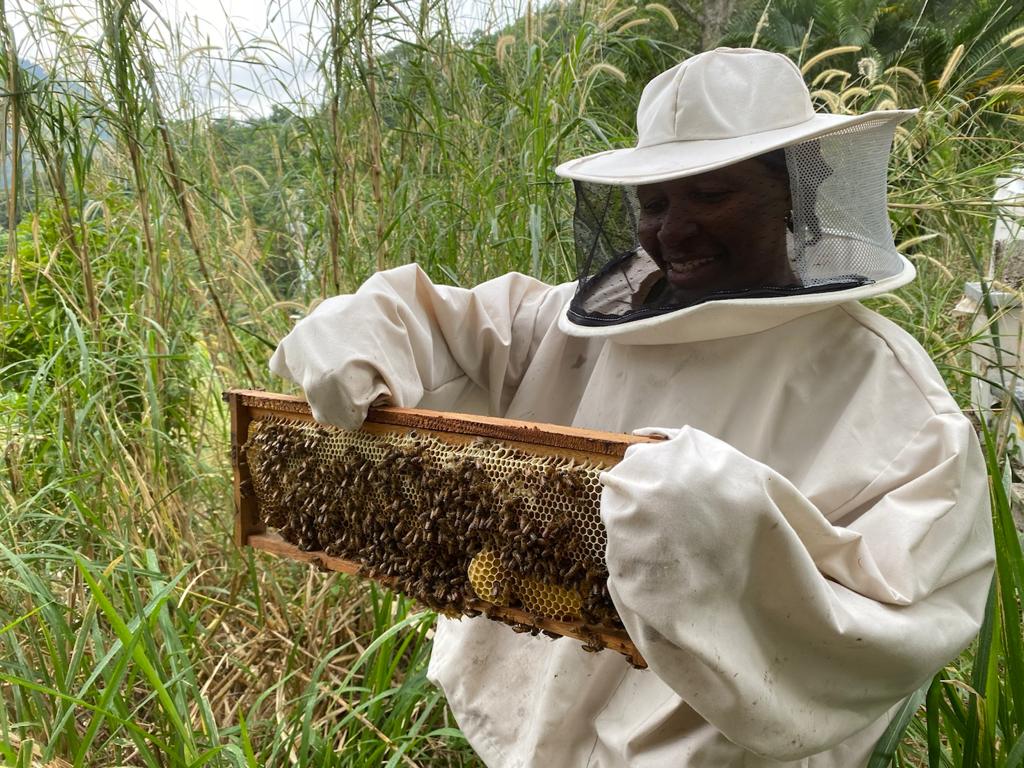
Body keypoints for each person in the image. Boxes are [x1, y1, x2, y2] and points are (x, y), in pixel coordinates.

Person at [269, 47, 994, 766]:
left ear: (798, 189)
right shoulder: (566, 327)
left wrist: (728, 533)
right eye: (655, 202)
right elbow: (438, 323)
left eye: (710, 195)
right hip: (522, 729)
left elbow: (898, 627)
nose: (672, 231)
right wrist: (366, 328)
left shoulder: (891, 396)